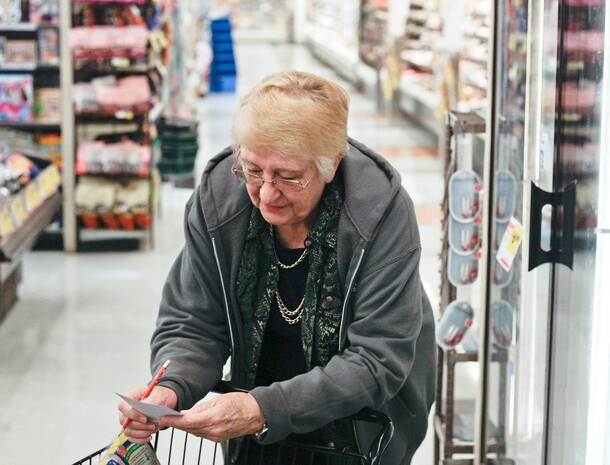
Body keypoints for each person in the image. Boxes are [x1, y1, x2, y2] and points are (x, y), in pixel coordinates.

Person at [118, 70, 436, 464]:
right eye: (253, 170)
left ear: (331, 165)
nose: (266, 193)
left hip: (359, 426)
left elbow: (377, 359)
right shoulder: (220, 201)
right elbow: (193, 320)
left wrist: (264, 409)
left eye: (288, 176)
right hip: (258, 415)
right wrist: (172, 385)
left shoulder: (379, 216)